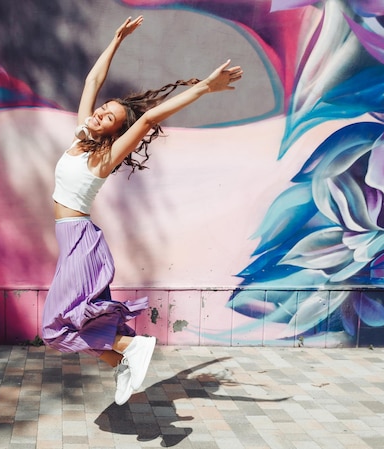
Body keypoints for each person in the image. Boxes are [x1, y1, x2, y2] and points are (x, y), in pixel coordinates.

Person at [41, 15, 243, 406]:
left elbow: (149, 118)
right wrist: (115, 39)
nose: (99, 114)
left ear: (116, 132)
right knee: (70, 325)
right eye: (102, 111)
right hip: (72, 241)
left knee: (54, 329)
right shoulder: (80, 139)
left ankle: (130, 347)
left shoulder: (106, 155)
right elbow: (91, 82)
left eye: (109, 118)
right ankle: (125, 359)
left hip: (81, 240)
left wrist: (204, 87)